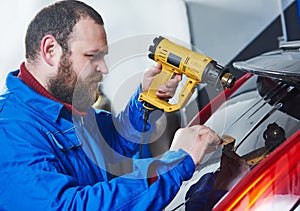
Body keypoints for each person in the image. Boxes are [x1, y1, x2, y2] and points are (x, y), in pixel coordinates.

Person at [0, 1, 221, 210]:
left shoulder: (66, 106)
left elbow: (113, 142)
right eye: (92, 56)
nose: (104, 69)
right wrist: (173, 164)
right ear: (50, 50)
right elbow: (70, 207)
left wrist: (147, 99)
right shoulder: (9, 133)